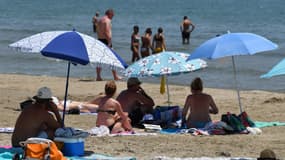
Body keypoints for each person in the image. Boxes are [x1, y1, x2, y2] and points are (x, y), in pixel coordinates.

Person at [96, 9, 121, 81]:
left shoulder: (100, 20)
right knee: (112, 58)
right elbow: (107, 31)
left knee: (99, 59)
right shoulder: (107, 20)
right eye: (112, 15)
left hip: (100, 40)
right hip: (106, 41)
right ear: (110, 14)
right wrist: (109, 41)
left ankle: (98, 76)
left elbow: (97, 30)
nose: (112, 17)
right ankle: (115, 76)